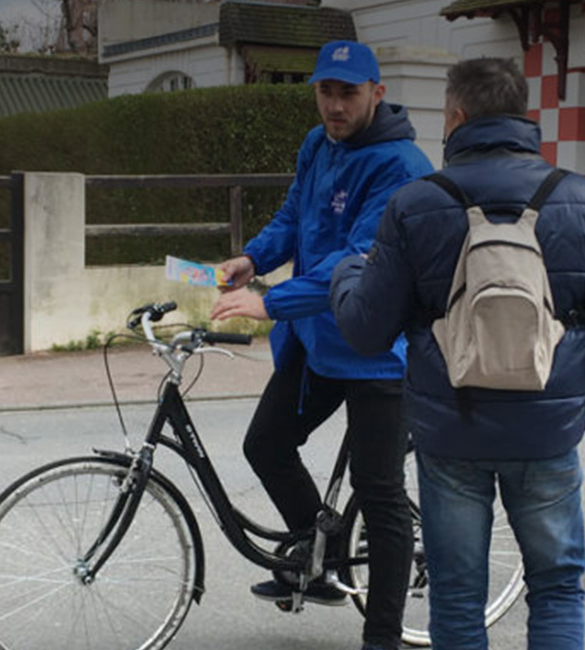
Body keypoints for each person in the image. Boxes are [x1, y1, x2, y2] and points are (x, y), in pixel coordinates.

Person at [330, 57, 585, 650]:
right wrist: (578, 409)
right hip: (547, 433)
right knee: (556, 586)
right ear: (521, 114)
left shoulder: (414, 205)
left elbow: (366, 331)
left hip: (451, 433)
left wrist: (347, 274)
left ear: (456, 115)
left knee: (456, 594)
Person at [208, 40, 431, 650]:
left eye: (348, 93)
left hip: (378, 352)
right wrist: (255, 257)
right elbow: (294, 220)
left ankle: (380, 636)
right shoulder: (318, 145)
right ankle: (318, 553)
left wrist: (270, 302)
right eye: (325, 91)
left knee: (379, 490)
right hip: (316, 340)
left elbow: (352, 257)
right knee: (266, 444)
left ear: (377, 93)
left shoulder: (400, 167)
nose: (334, 105)